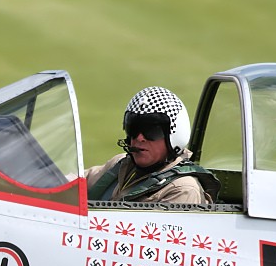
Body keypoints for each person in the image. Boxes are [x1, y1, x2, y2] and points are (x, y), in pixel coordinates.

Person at [85, 86, 220, 204]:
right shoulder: (121, 165)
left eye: (152, 131)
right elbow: (76, 181)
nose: (139, 138)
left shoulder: (182, 189)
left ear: (173, 136)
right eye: (133, 128)